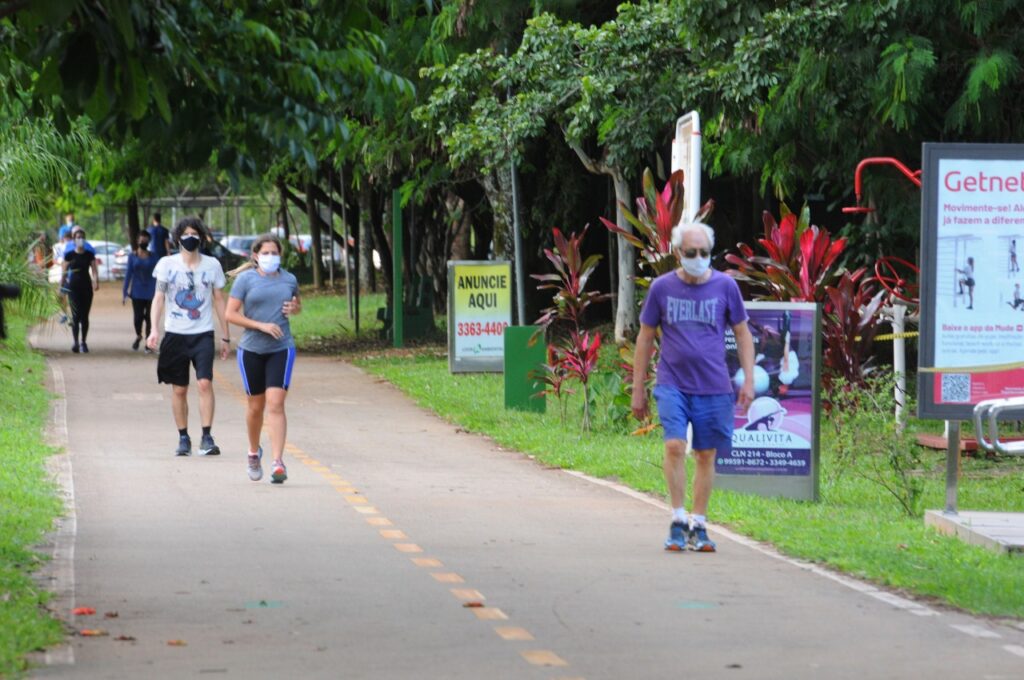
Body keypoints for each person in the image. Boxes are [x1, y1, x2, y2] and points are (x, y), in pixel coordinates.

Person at [632, 222, 755, 553]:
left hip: (714, 386)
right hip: (673, 382)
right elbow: (645, 338)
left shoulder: (726, 287)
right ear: (677, 254)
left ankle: (699, 524)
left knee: (705, 453)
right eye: (691, 253)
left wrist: (749, 381)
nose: (699, 258)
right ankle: (677, 518)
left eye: (704, 252)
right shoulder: (661, 288)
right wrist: (637, 388)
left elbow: (743, 334)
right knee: (674, 445)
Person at [146, 217, 230, 457]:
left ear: (201, 238)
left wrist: (225, 336)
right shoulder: (166, 264)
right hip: (175, 334)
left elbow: (219, 300)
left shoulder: (212, 265)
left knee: (205, 383)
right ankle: (183, 437)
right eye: (185, 234)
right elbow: (159, 298)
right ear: (177, 238)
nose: (190, 238)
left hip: (202, 333)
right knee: (179, 389)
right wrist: (154, 329)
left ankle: (207, 436)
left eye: (195, 234)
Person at [225, 235, 301, 484]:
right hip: (251, 350)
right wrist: (260, 325)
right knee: (255, 406)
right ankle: (253, 451)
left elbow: (296, 304)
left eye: (274, 253)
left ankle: (278, 462)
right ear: (255, 256)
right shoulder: (246, 280)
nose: (271, 257)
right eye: (265, 253)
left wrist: (295, 309)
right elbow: (230, 314)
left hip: (282, 347)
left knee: (276, 403)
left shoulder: (289, 279)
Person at [61, 228, 99, 353]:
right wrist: (61, 286)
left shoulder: (89, 255)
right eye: (77, 237)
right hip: (73, 288)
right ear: (74, 239)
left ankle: (83, 341)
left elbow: (94, 270)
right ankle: (75, 342)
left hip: (86, 287)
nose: (80, 239)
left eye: (82, 237)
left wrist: (95, 281)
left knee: (84, 316)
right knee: (75, 316)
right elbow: (64, 272)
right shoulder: (70, 255)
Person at [122, 230, 157, 352]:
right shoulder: (132, 256)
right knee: (138, 317)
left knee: (149, 317)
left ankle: (148, 341)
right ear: (137, 241)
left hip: (151, 291)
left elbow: (159, 275)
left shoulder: (154, 257)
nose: (143, 242)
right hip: (136, 292)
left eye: (146, 240)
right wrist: (124, 292)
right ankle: (138, 335)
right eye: (141, 240)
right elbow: (128, 274)